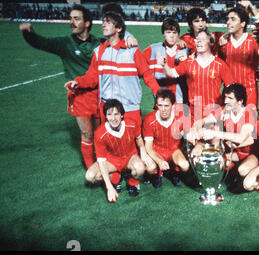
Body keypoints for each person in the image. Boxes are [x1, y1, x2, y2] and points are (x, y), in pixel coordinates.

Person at [19, 5, 98, 169]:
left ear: (88, 23)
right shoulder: (65, 44)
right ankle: (92, 168)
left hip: (99, 93)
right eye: (71, 18)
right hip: (79, 96)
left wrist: (129, 39)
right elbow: (42, 43)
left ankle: (103, 164)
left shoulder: (98, 43)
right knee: (87, 134)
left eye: (76, 18)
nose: (72, 22)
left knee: (99, 133)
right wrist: (28, 33)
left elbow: (118, 41)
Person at [64, 11, 160, 128]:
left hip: (130, 108)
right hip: (108, 109)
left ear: (118, 28)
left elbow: (147, 74)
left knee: (133, 143)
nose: (103, 25)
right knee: (109, 143)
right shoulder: (99, 52)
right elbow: (92, 77)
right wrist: (78, 82)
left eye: (108, 22)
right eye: (103, 22)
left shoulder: (132, 50)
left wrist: (158, 94)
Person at [160, 29, 234, 121]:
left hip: (213, 114)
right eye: (197, 39)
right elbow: (171, 73)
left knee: (211, 135)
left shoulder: (220, 64)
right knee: (191, 135)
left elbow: (231, 87)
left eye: (202, 39)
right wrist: (164, 65)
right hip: (194, 114)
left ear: (211, 43)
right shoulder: (188, 62)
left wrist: (227, 107)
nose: (198, 41)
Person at [85, 99, 151, 201]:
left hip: (130, 157)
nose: (113, 118)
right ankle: (115, 178)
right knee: (90, 176)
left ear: (121, 115)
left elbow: (139, 138)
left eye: (116, 114)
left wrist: (142, 148)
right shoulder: (100, 133)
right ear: (106, 116)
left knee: (140, 168)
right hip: (112, 161)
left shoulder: (131, 124)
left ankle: (133, 182)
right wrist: (109, 188)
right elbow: (101, 162)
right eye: (109, 115)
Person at [195, 83, 258, 187]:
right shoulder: (225, 109)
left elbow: (241, 138)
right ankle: (231, 169)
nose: (225, 101)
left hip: (250, 153)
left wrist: (215, 133)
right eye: (225, 97)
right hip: (233, 152)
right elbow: (204, 120)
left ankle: (254, 174)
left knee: (243, 170)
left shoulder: (249, 113)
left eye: (230, 98)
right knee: (211, 163)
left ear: (240, 101)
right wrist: (195, 130)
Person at [142, 89, 191, 188]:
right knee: (150, 168)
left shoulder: (180, 117)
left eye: (166, 106)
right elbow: (148, 147)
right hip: (157, 149)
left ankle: (174, 172)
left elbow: (187, 134)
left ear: (173, 106)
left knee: (185, 165)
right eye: (160, 105)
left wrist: (190, 136)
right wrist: (159, 161)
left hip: (174, 149)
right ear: (156, 105)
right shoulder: (149, 119)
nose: (163, 109)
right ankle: (156, 174)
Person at [219, 7, 259, 107]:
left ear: (243, 23)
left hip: (249, 92)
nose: (228, 22)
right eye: (228, 19)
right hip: (229, 93)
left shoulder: (253, 41)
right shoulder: (223, 42)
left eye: (233, 19)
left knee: (248, 121)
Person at [143, 18, 188, 105]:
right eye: (168, 32)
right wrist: (155, 90)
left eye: (174, 33)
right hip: (160, 102)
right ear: (163, 34)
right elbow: (140, 67)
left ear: (178, 34)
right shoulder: (153, 49)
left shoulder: (185, 51)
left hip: (180, 101)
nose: (171, 36)